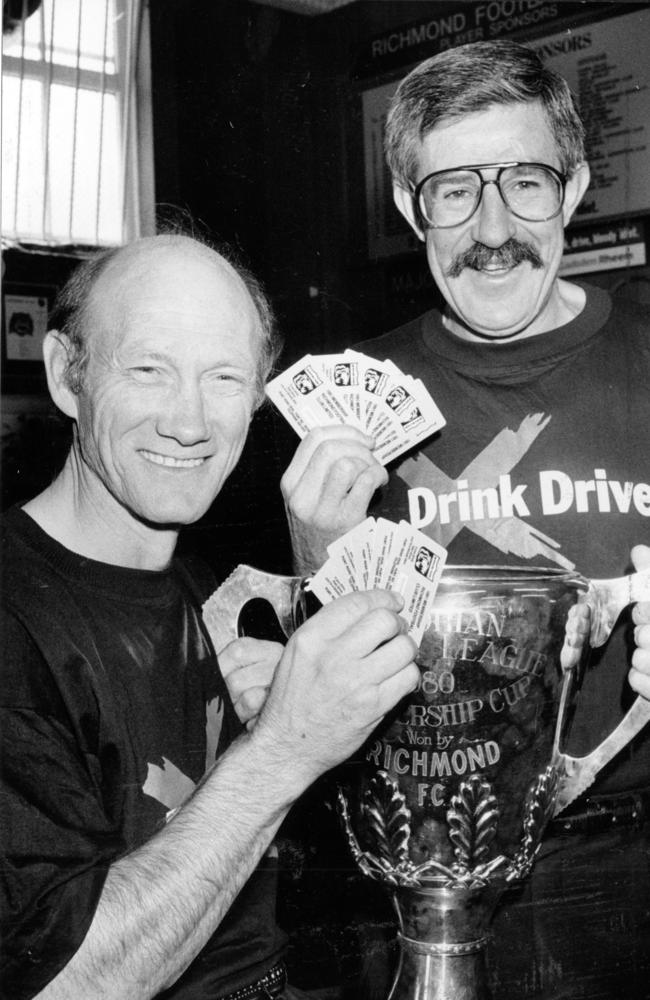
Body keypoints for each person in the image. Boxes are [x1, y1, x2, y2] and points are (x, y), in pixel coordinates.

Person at [280, 40, 650, 998]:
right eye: (452, 190)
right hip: (419, 871)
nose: (493, 228)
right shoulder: (353, 405)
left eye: (525, 182)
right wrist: (315, 552)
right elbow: (321, 689)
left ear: (571, 192)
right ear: (411, 209)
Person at [0, 233, 420, 1000]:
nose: (189, 423)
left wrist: (270, 730)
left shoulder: (205, 589)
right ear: (67, 374)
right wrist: (283, 752)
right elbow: (59, 983)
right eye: (148, 370)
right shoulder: (12, 621)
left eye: (225, 377)